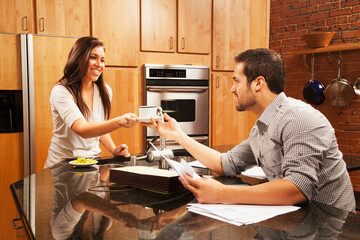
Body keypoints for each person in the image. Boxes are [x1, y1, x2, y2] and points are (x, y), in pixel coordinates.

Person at [145, 48, 356, 212]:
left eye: (236, 80)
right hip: (296, 220)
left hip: (331, 227)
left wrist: (223, 193)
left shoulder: (298, 118)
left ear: (258, 83)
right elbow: (225, 164)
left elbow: (297, 189)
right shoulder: (261, 127)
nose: (232, 88)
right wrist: (177, 135)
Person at [45, 37, 138, 168]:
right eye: (93, 57)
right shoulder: (61, 91)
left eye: (102, 60)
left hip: (92, 163)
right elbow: (82, 129)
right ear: (78, 59)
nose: (99, 65)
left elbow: (99, 128)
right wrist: (119, 122)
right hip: (62, 164)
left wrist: (113, 150)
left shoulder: (105, 91)